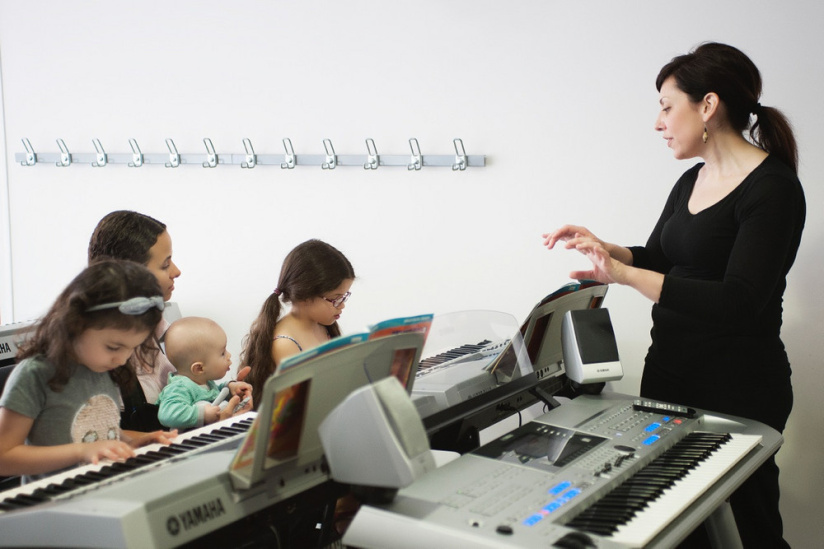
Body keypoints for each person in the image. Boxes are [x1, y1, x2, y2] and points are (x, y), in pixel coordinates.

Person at [543, 42, 804, 548]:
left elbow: (739, 299)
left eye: (666, 106)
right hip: (670, 375)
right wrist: (607, 250)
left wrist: (621, 274)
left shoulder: (772, 188)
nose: (658, 122)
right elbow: (662, 256)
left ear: (707, 105)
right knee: (676, 526)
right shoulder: (692, 179)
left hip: (739, 387)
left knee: (749, 527)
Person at [0, 260, 177, 481]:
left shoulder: (102, 366)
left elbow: (99, 429)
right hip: (53, 501)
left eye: (132, 348)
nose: (122, 359)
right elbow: (4, 457)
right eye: (113, 347)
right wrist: (81, 452)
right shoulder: (34, 375)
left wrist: (130, 442)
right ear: (77, 323)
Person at [88, 210, 182, 430]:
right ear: (130, 273)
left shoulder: (155, 328)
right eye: (165, 264)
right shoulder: (90, 355)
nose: (177, 271)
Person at [241, 239, 355, 407]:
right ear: (305, 296)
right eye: (335, 299)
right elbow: (309, 401)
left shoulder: (322, 326)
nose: (342, 305)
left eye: (344, 297)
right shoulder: (285, 344)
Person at [157, 317, 253, 430]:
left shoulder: (203, 382)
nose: (229, 355)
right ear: (199, 368)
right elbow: (167, 413)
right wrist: (202, 414)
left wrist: (230, 387)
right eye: (222, 353)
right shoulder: (179, 387)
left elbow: (212, 394)